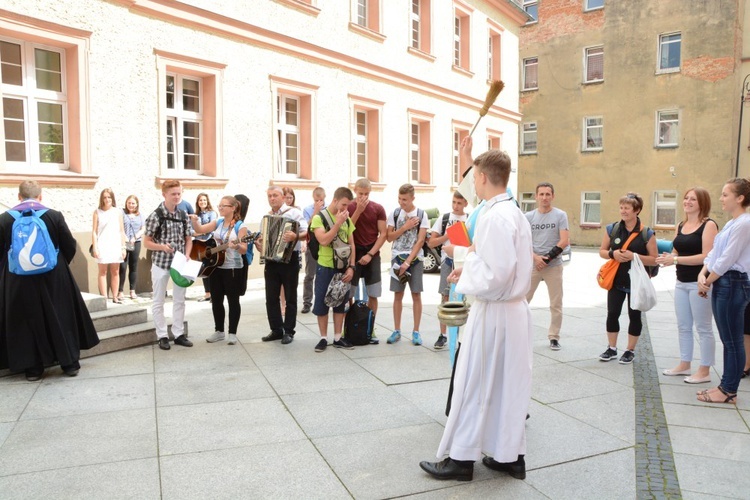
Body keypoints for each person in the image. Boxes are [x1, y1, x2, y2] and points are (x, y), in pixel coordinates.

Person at [419, 150, 533, 482]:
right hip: (512, 311)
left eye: (475, 176)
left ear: (482, 177)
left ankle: (461, 459)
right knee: (508, 387)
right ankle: (510, 455)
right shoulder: (513, 212)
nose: (473, 183)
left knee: (475, 383)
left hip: (495, 312)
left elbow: (494, 274)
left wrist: (463, 262)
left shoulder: (494, 216)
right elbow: (499, 264)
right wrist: (468, 262)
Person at [0, 181, 99, 380]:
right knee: (61, 316)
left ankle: (33, 368)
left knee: (26, 322)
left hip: (18, 280)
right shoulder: (54, 216)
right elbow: (69, 246)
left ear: (19, 197)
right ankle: (69, 363)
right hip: (54, 276)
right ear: (40, 196)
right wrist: (60, 265)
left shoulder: (4, 219)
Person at [696, 178, 750, 404]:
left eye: (726, 194)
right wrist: (703, 273)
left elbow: (728, 258)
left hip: (733, 283)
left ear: (740, 198)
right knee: (729, 339)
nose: (721, 199)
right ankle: (726, 387)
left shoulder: (745, 223)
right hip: (723, 281)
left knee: (732, 340)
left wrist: (708, 280)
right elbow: (715, 253)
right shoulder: (731, 223)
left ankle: (728, 390)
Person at [656, 188, 718, 383]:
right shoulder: (681, 225)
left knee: (704, 328)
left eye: (693, 199)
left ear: (702, 203)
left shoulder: (708, 225)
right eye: (686, 198)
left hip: (699, 283)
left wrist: (676, 260)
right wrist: (669, 257)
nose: (688, 201)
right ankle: (684, 364)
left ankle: (705, 370)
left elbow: (707, 256)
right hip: (681, 282)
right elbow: (676, 251)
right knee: (683, 326)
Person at [598, 193, 658, 364]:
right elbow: (602, 251)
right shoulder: (613, 229)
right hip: (615, 279)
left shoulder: (647, 233)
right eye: (621, 207)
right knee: (612, 314)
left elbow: (654, 258)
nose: (623, 211)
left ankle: (630, 350)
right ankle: (612, 348)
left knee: (635, 316)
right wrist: (612, 253)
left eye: (627, 208)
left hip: (637, 282)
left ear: (637, 210)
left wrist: (634, 256)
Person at [143, 180, 194, 351]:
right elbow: (146, 242)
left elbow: (189, 239)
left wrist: (187, 254)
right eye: (173, 194)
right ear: (164, 194)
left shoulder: (183, 215)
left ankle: (179, 334)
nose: (177, 196)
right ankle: (162, 336)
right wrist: (162, 247)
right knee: (158, 301)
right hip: (161, 264)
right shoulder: (155, 215)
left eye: (179, 193)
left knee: (180, 300)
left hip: (179, 264)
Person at [191, 196, 248, 345]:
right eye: (220, 205)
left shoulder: (241, 226)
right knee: (216, 300)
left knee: (233, 300)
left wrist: (236, 246)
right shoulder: (218, 222)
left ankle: (233, 333)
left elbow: (244, 249)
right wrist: (195, 221)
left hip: (232, 268)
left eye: (224, 206)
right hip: (215, 267)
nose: (220, 208)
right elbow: (200, 230)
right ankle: (219, 331)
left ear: (233, 208)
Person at [258, 186, 307, 345]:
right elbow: (262, 239)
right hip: (272, 260)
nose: (272, 198)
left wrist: (295, 236)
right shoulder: (267, 216)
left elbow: (306, 232)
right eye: (269, 196)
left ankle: (289, 331)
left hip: (289, 258)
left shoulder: (294, 213)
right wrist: (260, 245)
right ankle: (276, 329)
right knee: (271, 297)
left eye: (275, 195)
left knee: (290, 296)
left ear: (283, 197)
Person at [310, 187, 356, 352]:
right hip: (325, 267)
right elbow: (323, 240)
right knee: (322, 303)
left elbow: (351, 244)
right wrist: (337, 224)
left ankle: (337, 337)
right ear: (335, 200)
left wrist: (351, 267)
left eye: (348, 205)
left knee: (340, 303)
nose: (346, 209)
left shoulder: (347, 219)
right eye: (343, 204)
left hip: (343, 268)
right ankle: (323, 338)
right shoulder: (319, 218)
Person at [525, 182, 570, 351]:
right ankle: (519, 333)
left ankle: (554, 336)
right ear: (536, 196)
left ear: (553, 196)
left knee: (556, 303)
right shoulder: (528, 217)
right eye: (541, 194)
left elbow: (564, 240)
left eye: (548, 194)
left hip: (553, 265)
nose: (544, 197)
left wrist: (548, 258)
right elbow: (523, 243)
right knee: (522, 300)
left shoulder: (560, 215)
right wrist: (536, 258)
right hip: (533, 264)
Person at [386, 184, 430, 346]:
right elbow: (389, 237)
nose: (401, 202)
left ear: (412, 198)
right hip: (397, 258)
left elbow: (420, 241)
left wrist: (408, 262)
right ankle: (396, 330)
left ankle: (416, 331)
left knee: (416, 294)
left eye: (404, 199)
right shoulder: (395, 213)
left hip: (415, 260)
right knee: (397, 295)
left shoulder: (421, 214)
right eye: (399, 198)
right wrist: (405, 227)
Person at [427, 191, 468, 349]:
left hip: (463, 262)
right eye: (454, 202)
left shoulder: (469, 218)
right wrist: (447, 235)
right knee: (445, 297)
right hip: (447, 262)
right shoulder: (444, 219)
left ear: (465, 203)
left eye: (459, 203)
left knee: (464, 296)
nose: (456, 206)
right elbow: (431, 243)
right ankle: (442, 334)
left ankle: (462, 333)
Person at [348, 178, 388, 342]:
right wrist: (358, 210)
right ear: (355, 191)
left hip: (372, 254)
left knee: (373, 294)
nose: (363, 197)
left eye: (366, 194)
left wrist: (370, 254)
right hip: (354, 253)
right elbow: (346, 229)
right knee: (349, 294)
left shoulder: (378, 208)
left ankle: (370, 329)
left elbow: (383, 234)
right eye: (360, 194)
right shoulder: (349, 207)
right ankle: (349, 328)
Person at [92, 188, 126, 303]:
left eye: (109, 197)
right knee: (102, 272)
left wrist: (123, 247)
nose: (107, 199)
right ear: (102, 199)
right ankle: (104, 297)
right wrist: (95, 247)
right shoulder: (97, 212)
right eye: (105, 197)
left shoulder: (117, 212)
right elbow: (94, 231)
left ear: (112, 198)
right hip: (102, 244)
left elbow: (121, 230)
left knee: (115, 271)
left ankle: (115, 296)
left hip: (115, 244)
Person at [302, 187, 325, 313]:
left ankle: (322, 302)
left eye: (321, 200)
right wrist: (315, 212)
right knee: (310, 275)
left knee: (323, 275)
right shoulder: (307, 210)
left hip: (325, 246)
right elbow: (306, 228)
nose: (319, 202)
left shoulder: (329, 209)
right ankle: (307, 302)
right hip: (312, 246)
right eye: (317, 200)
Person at [118, 195, 146, 300]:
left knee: (133, 267)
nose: (131, 205)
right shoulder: (122, 214)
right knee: (123, 266)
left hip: (135, 242)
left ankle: (132, 290)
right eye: (129, 203)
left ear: (137, 204)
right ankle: (120, 291)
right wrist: (125, 238)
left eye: (133, 203)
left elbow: (143, 228)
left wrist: (135, 237)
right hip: (124, 242)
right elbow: (119, 227)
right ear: (126, 203)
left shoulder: (140, 215)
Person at [194, 193, 217, 302]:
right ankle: (207, 293)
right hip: (199, 244)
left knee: (210, 268)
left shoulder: (212, 213)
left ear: (207, 201)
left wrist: (199, 231)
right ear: (197, 202)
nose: (202, 202)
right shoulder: (196, 215)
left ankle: (214, 293)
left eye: (204, 200)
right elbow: (191, 231)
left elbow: (212, 228)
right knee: (202, 269)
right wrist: (199, 232)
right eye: (200, 200)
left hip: (209, 243)